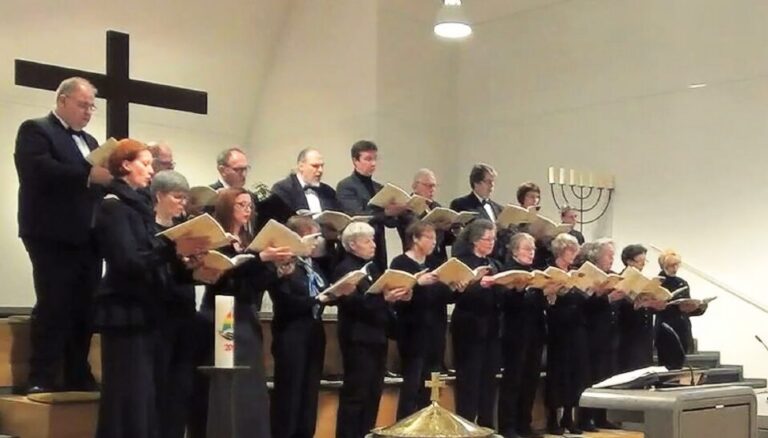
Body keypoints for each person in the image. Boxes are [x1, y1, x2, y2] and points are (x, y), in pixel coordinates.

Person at [93, 140, 207, 438]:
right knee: (130, 399)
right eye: (145, 163)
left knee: (155, 398)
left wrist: (186, 263)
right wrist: (172, 247)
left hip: (151, 311)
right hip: (125, 312)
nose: (151, 169)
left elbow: (155, 256)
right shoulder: (113, 205)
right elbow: (127, 261)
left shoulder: (141, 206)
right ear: (126, 165)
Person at [14, 77, 113, 394]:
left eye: (92, 107)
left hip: (88, 235)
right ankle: (41, 374)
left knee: (86, 306)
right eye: (83, 105)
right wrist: (88, 175)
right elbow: (37, 170)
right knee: (55, 302)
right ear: (62, 101)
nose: (88, 112)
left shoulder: (91, 141)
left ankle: (77, 372)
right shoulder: (36, 129)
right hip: (51, 234)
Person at [192, 188, 295, 438]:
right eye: (240, 204)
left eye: (249, 205)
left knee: (250, 380)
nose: (247, 210)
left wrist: (276, 269)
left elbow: (254, 282)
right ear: (228, 207)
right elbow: (222, 278)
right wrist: (258, 258)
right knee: (227, 378)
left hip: (246, 312)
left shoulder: (248, 241)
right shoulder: (218, 240)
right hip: (222, 314)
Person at [269, 215, 349, 438]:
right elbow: (286, 302)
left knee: (309, 392)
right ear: (297, 238)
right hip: (291, 334)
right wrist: (318, 300)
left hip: (313, 332)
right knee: (290, 394)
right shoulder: (284, 264)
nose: (316, 243)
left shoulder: (311, 266)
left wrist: (338, 293)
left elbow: (323, 290)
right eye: (312, 238)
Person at [334, 222, 411, 438]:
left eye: (373, 240)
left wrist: (395, 298)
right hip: (357, 337)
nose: (373, 245)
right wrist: (383, 298)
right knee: (356, 395)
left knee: (372, 394)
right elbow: (353, 305)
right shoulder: (345, 268)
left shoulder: (372, 268)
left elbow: (377, 300)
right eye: (367, 241)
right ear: (352, 244)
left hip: (377, 336)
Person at [150, 170, 199, 438]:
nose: (182, 203)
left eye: (185, 198)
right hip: (159, 314)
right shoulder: (149, 228)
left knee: (181, 389)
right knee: (159, 387)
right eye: (177, 197)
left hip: (184, 311)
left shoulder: (186, 230)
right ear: (159, 196)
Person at [390, 222, 447, 419]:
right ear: (415, 238)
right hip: (413, 331)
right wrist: (417, 284)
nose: (434, 242)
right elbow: (399, 301)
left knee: (432, 385)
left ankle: (429, 426)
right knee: (412, 385)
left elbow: (443, 296)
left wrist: (457, 287)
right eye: (429, 237)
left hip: (436, 330)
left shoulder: (435, 264)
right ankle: (405, 427)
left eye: (434, 238)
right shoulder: (400, 263)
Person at [450, 219, 502, 428]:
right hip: (469, 327)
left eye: (493, 239)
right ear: (474, 240)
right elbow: (456, 295)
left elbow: (500, 295)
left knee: (488, 381)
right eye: (487, 239)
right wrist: (477, 284)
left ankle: (487, 427)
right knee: (469, 381)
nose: (491, 243)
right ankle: (466, 426)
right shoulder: (461, 262)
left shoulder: (494, 264)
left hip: (491, 327)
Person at [496, 232, 548, 438]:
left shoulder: (535, 272)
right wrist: (518, 291)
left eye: (533, 249)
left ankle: (524, 424)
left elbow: (539, 304)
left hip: (535, 332)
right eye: (527, 249)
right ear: (515, 250)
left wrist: (549, 292)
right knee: (513, 380)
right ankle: (508, 426)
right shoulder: (507, 271)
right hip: (514, 333)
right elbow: (505, 303)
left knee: (530, 380)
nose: (531, 253)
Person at [336, 140, 410, 271]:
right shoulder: (346, 186)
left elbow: (390, 223)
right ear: (355, 161)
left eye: (375, 159)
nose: (373, 163)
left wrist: (398, 211)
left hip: (378, 243)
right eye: (368, 159)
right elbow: (356, 216)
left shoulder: (379, 187)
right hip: (356, 248)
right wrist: (386, 213)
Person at [544, 233, 588, 436]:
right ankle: (553, 418)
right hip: (558, 329)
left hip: (576, 327)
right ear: (561, 251)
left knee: (575, 373)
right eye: (571, 251)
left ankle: (569, 417)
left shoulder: (575, 272)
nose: (574, 255)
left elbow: (581, 300)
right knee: (558, 374)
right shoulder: (549, 271)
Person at [578, 238, 623, 431]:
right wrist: (607, 298)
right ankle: (586, 418)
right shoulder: (586, 273)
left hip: (609, 331)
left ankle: (601, 416)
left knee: (606, 375)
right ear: (596, 255)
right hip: (591, 331)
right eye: (609, 255)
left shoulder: (611, 276)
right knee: (590, 376)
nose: (612, 259)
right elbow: (584, 306)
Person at [617, 244, 666, 372]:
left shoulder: (644, 280)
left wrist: (655, 304)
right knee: (630, 368)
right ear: (629, 261)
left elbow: (646, 304)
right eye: (640, 262)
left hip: (645, 331)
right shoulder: (620, 278)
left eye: (645, 262)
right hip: (628, 332)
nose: (643, 265)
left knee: (644, 367)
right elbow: (618, 305)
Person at [656, 250, 707, 355]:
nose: (675, 268)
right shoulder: (657, 282)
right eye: (671, 265)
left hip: (683, 328)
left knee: (686, 363)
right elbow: (654, 308)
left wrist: (699, 308)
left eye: (677, 265)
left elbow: (687, 308)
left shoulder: (682, 282)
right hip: (666, 328)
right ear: (664, 265)